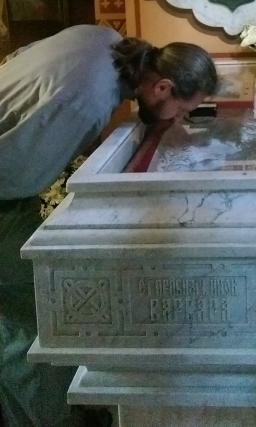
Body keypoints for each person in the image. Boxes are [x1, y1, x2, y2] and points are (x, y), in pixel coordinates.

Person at [0, 25, 217, 427]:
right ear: (163, 87)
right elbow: (19, 175)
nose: (179, 119)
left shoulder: (104, 38)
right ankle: (51, 417)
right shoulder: (89, 103)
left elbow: (18, 58)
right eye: (181, 110)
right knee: (44, 309)